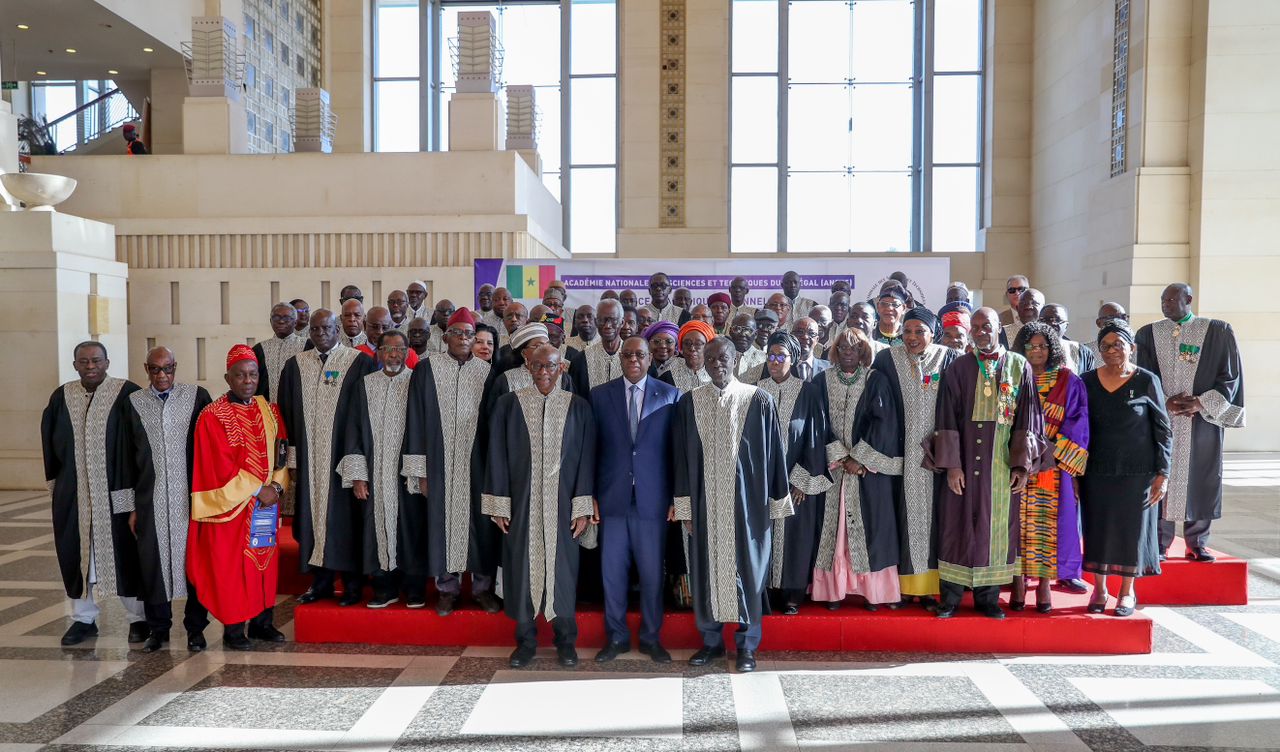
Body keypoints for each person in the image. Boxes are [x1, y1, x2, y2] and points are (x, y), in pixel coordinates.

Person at [673, 338, 791, 673]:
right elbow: (681, 459)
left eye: (723, 357)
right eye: (710, 358)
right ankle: (710, 643)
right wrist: (685, 508)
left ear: (736, 358)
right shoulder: (689, 403)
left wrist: (775, 503)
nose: (716, 363)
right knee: (706, 572)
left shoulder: (758, 400)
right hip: (705, 506)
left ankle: (747, 646)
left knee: (750, 574)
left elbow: (774, 456)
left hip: (748, 506)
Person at [484, 345, 597, 668]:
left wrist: (582, 507)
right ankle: (525, 642)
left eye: (550, 366)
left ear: (561, 367)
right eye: (537, 366)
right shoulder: (509, 405)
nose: (543, 372)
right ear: (528, 367)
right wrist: (499, 505)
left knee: (562, 572)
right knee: (521, 571)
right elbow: (498, 456)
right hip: (521, 505)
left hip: (563, 507)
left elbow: (587, 460)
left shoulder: (578, 407)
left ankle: (566, 642)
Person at [930, 307, 1046, 620]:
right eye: (976, 326)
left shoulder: (1019, 366)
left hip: (1001, 465)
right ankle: (950, 598)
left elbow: (1028, 418)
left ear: (998, 328)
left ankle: (988, 599)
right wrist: (952, 464)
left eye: (987, 326)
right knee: (956, 526)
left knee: (995, 530)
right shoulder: (959, 367)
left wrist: (1022, 465)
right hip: (964, 463)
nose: (981, 331)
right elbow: (946, 416)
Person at [42, 342, 147, 647]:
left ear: (107, 362)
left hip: (118, 494)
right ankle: (83, 619)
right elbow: (50, 444)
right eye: (84, 361)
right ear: (75, 364)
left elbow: (140, 446)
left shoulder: (127, 393)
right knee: (78, 555)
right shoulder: (62, 396)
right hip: (74, 495)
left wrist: (137, 497)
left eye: (96, 360)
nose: (90, 366)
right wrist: (57, 488)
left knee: (124, 555)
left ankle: (137, 619)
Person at [187, 344, 290, 650]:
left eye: (253, 374)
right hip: (231, 507)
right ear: (227, 377)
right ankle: (234, 630)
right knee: (230, 568)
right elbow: (218, 465)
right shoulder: (212, 415)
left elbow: (282, 452)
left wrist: (278, 487)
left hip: (264, 507)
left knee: (264, 564)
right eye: (241, 375)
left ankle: (262, 624)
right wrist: (260, 489)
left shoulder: (269, 410)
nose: (248, 380)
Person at [855, 308, 958, 609]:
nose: (912, 337)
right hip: (900, 457)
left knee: (937, 521)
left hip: (937, 458)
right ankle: (902, 588)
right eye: (908, 331)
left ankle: (929, 590)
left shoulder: (947, 358)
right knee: (900, 519)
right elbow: (880, 406)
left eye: (919, 331)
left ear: (932, 332)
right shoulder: (888, 359)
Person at [401, 309, 501, 614]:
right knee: (440, 523)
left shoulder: (487, 373)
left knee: (480, 527)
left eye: (469, 334)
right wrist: (420, 472)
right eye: (457, 333)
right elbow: (414, 420)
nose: (463, 339)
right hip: (438, 464)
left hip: (477, 463)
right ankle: (447, 588)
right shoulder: (426, 370)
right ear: (445, 337)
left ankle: (482, 588)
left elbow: (494, 425)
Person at [1136, 283, 1245, 562]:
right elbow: (1141, 374)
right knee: (1159, 475)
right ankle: (1160, 543)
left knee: (1201, 476)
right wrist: (1164, 401)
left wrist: (1201, 402)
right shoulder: (1148, 334)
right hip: (1162, 419)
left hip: (1203, 421)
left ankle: (1197, 543)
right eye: (1163, 299)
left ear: (1189, 299)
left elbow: (1229, 376)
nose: (1166, 303)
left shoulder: (1218, 331)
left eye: (1172, 299)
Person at [278, 309, 378, 607]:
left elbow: (366, 417)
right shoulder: (295, 366)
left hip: (342, 461)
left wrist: (359, 464)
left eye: (327, 328)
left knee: (346, 522)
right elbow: (285, 416)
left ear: (339, 329)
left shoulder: (358, 362)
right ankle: (319, 583)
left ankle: (351, 585)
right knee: (311, 521)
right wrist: (291, 462)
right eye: (315, 329)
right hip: (309, 462)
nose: (321, 333)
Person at [591, 336, 680, 664]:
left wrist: (675, 496)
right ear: (620, 358)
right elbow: (592, 451)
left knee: (653, 574)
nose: (633, 360)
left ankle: (651, 637)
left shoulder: (670, 395)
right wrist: (590, 496)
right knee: (612, 575)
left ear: (649, 358)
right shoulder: (600, 396)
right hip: (612, 501)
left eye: (639, 355)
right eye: (627, 354)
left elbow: (676, 453)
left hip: (653, 502)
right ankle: (615, 637)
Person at [119, 347, 213, 652]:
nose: (163, 376)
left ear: (176, 367)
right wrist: (129, 506)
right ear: (146, 369)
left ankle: (195, 629)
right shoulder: (133, 404)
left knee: (195, 565)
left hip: (191, 498)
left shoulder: (197, 396)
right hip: (151, 500)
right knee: (152, 564)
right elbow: (124, 458)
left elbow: (212, 448)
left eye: (169, 369)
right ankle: (158, 629)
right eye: (156, 370)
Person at [1082, 323, 1172, 616]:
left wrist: (1164, 473)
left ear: (1131, 347)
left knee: (1132, 532)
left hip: (1138, 472)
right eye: (1105, 346)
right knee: (1098, 530)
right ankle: (1100, 588)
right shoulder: (1087, 381)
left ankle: (1126, 592)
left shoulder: (1147, 380)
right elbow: (1078, 429)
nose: (1111, 351)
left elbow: (1163, 430)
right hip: (1096, 471)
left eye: (1118, 344)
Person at [812, 328, 899, 610]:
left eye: (855, 347)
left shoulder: (876, 381)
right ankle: (833, 591)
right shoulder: (820, 381)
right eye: (843, 347)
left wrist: (859, 458)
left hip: (866, 471)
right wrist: (838, 454)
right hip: (834, 468)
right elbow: (816, 422)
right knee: (833, 532)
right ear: (835, 349)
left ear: (864, 351)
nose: (849, 352)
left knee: (871, 528)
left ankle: (870, 592)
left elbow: (883, 421)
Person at [337, 329, 424, 609]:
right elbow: (353, 431)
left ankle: (414, 588)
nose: (394, 354)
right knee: (375, 529)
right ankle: (384, 588)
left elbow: (424, 431)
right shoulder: (364, 385)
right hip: (374, 473)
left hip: (406, 474)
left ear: (408, 352)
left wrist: (419, 473)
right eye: (388, 349)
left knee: (411, 529)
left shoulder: (416, 383)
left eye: (399, 349)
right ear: (379, 352)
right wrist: (358, 476)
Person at [1009, 322, 1089, 613]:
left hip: (1052, 469)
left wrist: (1048, 455)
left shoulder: (1069, 381)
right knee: (1016, 526)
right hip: (1016, 464)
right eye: (1031, 345)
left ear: (1052, 348)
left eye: (1043, 345)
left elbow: (1079, 423)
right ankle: (1018, 581)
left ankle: (1044, 585)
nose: (1036, 351)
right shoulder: (1012, 376)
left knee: (1047, 527)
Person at [757, 332, 832, 614]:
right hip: (762, 482)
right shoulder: (755, 389)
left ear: (794, 359)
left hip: (795, 481)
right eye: (771, 356)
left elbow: (816, 436)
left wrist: (801, 480)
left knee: (795, 537)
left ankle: (791, 595)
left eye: (781, 356)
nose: (775, 362)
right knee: (763, 536)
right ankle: (764, 591)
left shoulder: (808, 391)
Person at [568, 299, 625, 395]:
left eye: (613, 320)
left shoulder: (635, 357)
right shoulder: (580, 361)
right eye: (602, 320)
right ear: (596, 322)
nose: (607, 325)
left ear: (622, 322)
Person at [253, 302, 306, 403]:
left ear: (295, 322)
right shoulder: (258, 349)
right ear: (270, 321)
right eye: (276, 318)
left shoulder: (308, 346)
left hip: (297, 408)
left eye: (286, 318)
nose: (281, 321)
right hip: (266, 410)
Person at [1039, 304, 1097, 373]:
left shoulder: (1082, 352)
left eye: (1058, 320)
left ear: (1066, 326)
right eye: (1046, 320)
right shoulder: (1028, 350)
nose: (1052, 323)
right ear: (1038, 323)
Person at [660, 320, 714, 393]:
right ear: (681, 347)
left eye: (698, 344)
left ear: (708, 347)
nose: (692, 348)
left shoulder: (715, 371)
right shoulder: (668, 371)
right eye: (687, 343)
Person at [729, 312, 766, 379]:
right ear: (730, 332)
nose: (743, 334)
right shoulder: (719, 356)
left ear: (755, 334)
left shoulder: (764, 359)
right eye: (737, 329)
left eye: (748, 330)